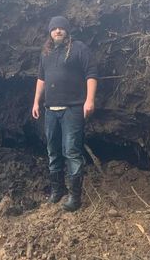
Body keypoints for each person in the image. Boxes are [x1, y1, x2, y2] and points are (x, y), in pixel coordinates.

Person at [32, 16, 98, 212]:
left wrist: (90, 100)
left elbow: (91, 74)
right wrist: (36, 102)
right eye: (54, 28)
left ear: (67, 31)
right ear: (50, 32)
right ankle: (56, 191)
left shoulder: (79, 49)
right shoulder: (46, 53)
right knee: (53, 150)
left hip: (73, 108)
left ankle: (74, 197)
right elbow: (41, 79)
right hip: (50, 109)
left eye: (61, 28)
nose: (58, 31)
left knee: (71, 151)